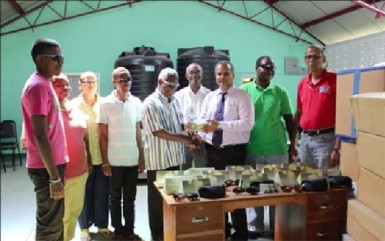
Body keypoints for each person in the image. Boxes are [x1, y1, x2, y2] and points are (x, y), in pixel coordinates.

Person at [240, 56, 295, 239]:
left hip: (277, 150)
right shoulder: (244, 90)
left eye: (272, 69)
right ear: (257, 68)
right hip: (252, 149)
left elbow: (289, 119)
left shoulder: (280, 92)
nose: (269, 71)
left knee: (276, 191)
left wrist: (292, 144)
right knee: (254, 190)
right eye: (265, 67)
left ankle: (275, 226)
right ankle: (254, 227)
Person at [141, 67, 199, 241]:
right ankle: (157, 235)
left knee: (173, 198)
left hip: (174, 158)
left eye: (175, 85)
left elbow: (180, 125)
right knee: (157, 202)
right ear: (160, 82)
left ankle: (170, 230)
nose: (173, 88)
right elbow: (157, 131)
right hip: (158, 161)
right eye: (169, 85)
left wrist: (191, 137)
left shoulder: (174, 101)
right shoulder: (150, 103)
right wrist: (184, 140)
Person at [199, 61, 254, 241]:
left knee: (236, 194)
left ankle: (241, 234)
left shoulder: (242, 96)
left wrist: (219, 125)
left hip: (234, 152)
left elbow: (247, 123)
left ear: (233, 74)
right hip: (213, 152)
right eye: (219, 74)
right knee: (214, 193)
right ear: (215, 76)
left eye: (226, 74)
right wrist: (199, 132)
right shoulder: (210, 97)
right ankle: (221, 231)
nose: (222, 77)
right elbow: (204, 122)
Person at [21, 38, 68, 241]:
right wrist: (54, 176)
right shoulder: (37, 87)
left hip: (52, 165)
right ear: (40, 59)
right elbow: (39, 134)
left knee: (56, 220)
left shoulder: (45, 83)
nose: (60, 62)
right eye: (55, 58)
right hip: (46, 168)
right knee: (49, 224)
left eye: (62, 57)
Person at [97, 67, 144, 241]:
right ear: (114, 82)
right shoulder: (105, 104)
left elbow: (138, 131)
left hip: (132, 159)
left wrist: (141, 156)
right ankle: (118, 230)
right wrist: (105, 162)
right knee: (115, 197)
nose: (126, 83)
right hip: (114, 160)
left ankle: (129, 230)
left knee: (130, 198)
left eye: (128, 79)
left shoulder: (136, 102)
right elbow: (102, 135)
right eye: (121, 80)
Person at [72, 71, 112, 241]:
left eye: (93, 82)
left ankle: (103, 225)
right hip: (83, 159)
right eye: (86, 82)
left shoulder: (105, 104)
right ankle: (84, 228)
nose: (90, 85)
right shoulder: (73, 105)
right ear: (79, 84)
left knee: (102, 193)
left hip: (103, 158)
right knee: (84, 194)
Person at [51, 74, 90, 241]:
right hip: (61, 176)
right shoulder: (46, 110)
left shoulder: (76, 109)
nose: (66, 88)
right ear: (50, 87)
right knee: (63, 216)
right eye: (60, 85)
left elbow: (84, 137)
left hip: (80, 172)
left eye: (67, 85)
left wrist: (88, 162)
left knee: (75, 211)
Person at [293, 44, 341, 169]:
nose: (312, 60)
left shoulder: (335, 79)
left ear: (323, 59)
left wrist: (337, 148)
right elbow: (299, 113)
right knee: (307, 181)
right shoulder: (302, 83)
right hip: (305, 140)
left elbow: (344, 114)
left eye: (316, 57)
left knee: (325, 182)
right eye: (308, 57)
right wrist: (293, 142)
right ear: (305, 60)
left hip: (326, 141)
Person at [174, 63, 211, 169]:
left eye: (197, 72)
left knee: (202, 173)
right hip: (184, 140)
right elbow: (176, 119)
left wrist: (198, 137)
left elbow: (210, 119)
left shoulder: (209, 95)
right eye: (191, 72)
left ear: (202, 75)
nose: (194, 75)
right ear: (186, 76)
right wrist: (188, 139)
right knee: (184, 173)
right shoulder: (178, 96)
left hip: (203, 140)